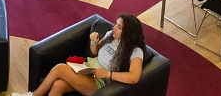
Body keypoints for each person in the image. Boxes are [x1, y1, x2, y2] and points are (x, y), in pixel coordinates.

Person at [15, 15, 146, 96]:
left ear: (127, 32)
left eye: (118, 27)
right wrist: (94, 41)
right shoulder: (110, 36)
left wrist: (107, 74)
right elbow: (95, 52)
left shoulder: (135, 51)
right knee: (58, 85)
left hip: (101, 83)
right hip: (88, 69)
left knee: (60, 68)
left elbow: (134, 77)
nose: (114, 28)